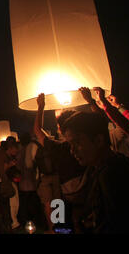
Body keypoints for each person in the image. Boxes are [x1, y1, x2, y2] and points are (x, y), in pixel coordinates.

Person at [62, 111, 129, 233]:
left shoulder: (111, 174)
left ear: (99, 140)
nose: (72, 150)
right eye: (70, 145)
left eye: (77, 142)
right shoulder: (101, 168)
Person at [34, 93, 88, 232]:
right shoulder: (88, 146)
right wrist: (92, 101)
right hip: (89, 195)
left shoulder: (57, 148)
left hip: (68, 196)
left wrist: (41, 106)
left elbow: (37, 130)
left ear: (60, 128)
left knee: (65, 225)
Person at [16, 133, 46, 232]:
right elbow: (29, 165)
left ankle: (28, 224)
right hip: (31, 183)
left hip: (23, 183)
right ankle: (37, 223)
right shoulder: (30, 148)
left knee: (26, 206)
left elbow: (19, 167)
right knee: (33, 205)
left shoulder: (20, 152)